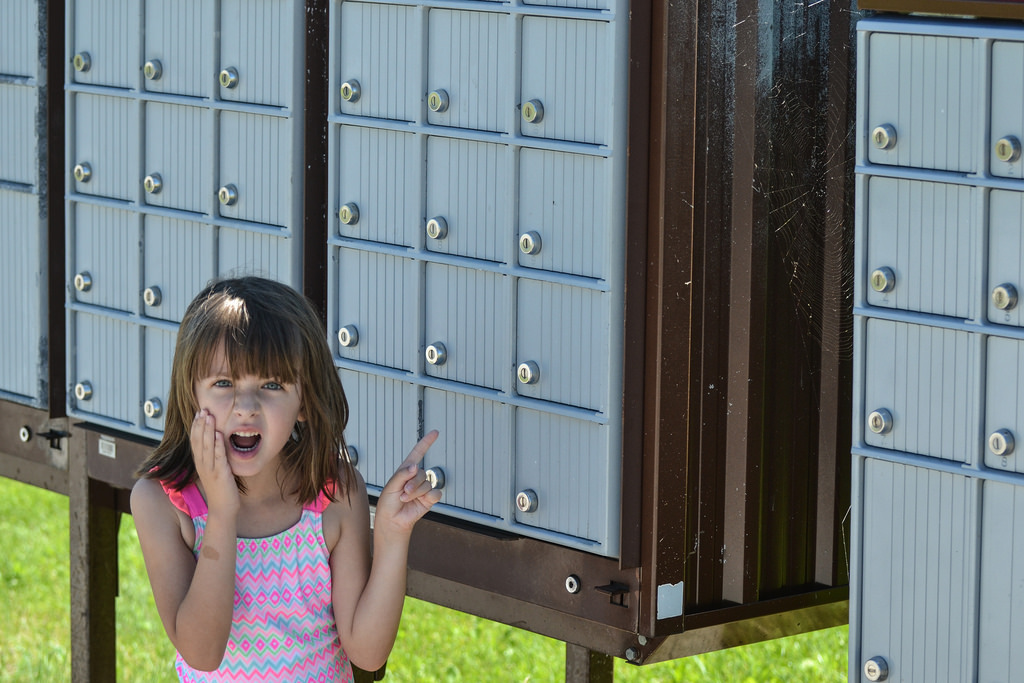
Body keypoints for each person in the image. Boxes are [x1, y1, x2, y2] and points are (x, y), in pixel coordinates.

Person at [131, 276, 442, 682]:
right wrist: (223, 513)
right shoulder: (163, 503)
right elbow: (202, 653)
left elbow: (366, 654)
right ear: (193, 393)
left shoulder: (334, 494)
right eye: (223, 383)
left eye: (272, 385)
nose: (245, 407)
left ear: (304, 404)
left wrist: (391, 536)